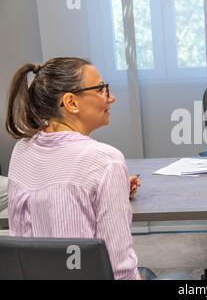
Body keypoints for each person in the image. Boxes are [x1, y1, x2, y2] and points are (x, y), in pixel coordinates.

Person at [5, 57, 141, 280]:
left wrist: (109, 191)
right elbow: (120, 271)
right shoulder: (106, 161)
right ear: (71, 102)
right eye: (101, 90)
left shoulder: (22, 150)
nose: (111, 98)